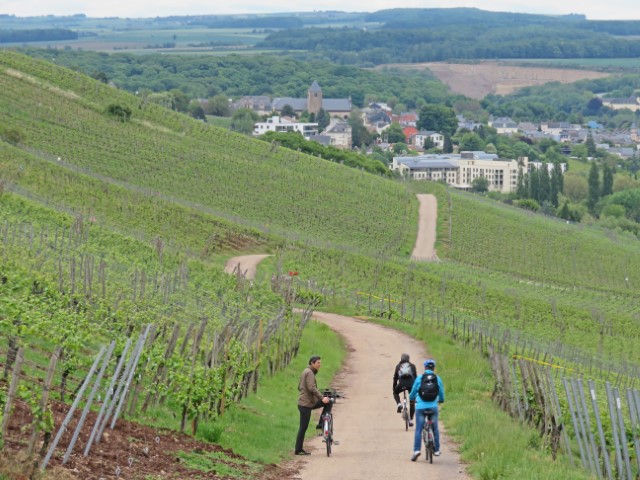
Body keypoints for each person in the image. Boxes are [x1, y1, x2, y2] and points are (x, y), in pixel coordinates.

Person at [294, 355, 332, 455]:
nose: (320, 365)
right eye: (318, 363)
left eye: (320, 363)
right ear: (312, 363)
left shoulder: (305, 371)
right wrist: (322, 397)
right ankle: (298, 449)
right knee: (303, 427)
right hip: (306, 404)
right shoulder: (310, 373)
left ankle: (321, 423)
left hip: (307, 402)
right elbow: (311, 388)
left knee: (328, 402)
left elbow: (300, 387)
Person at [409, 359, 445, 461]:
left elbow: (413, 392)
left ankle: (416, 450)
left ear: (425, 367)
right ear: (433, 368)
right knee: (435, 428)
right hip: (433, 407)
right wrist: (441, 400)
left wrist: (411, 398)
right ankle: (437, 450)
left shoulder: (420, 378)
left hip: (420, 407)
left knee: (419, 429)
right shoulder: (437, 378)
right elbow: (441, 392)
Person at [392, 353, 417, 426]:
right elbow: (416, 378)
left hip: (402, 384)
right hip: (411, 385)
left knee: (395, 393)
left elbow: (395, 378)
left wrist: (394, 388)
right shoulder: (412, 366)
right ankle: (411, 420)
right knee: (412, 401)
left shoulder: (398, 366)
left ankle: (399, 404)